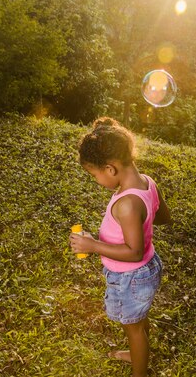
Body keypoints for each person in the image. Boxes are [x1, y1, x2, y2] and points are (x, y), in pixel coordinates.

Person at [69, 117, 171, 377]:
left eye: (94, 175)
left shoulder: (126, 204)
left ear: (110, 168)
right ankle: (139, 351)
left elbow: (133, 251)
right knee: (139, 318)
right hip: (147, 267)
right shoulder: (147, 182)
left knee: (133, 327)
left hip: (131, 276)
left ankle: (139, 369)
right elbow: (162, 217)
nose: (96, 180)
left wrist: (93, 245)